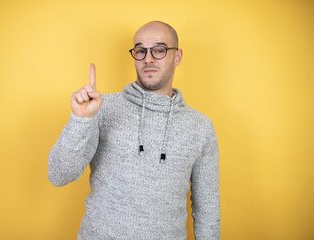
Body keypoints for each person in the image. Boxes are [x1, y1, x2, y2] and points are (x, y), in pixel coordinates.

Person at [48, 21, 220, 240]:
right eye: (140, 51)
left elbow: (208, 210)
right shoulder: (101, 109)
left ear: (177, 57)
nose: (148, 59)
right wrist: (80, 121)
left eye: (159, 50)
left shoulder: (201, 127)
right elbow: (58, 175)